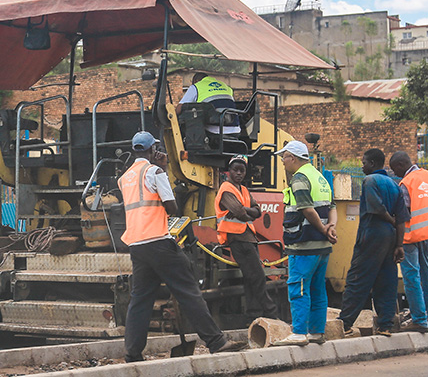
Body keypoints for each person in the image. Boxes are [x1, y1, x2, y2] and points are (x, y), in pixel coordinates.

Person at [119, 131, 246, 361]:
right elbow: (172, 208)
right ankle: (216, 342)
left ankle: (132, 353)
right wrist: (164, 169)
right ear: (152, 150)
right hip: (159, 241)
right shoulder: (154, 171)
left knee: (140, 300)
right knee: (188, 291)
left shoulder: (125, 177)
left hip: (137, 245)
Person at [337, 148, 409, 337]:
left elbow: (377, 209)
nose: (361, 167)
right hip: (390, 238)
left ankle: (344, 324)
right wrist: (399, 245)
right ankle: (386, 325)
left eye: (363, 163)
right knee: (386, 280)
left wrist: (390, 222)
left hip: (372, 235)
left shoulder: (370, 181)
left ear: (373, 164)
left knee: (358, 279)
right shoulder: (395, 185)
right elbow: (402, 218)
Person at [273, 140, 338, 346]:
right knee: (318, 289)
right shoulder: (320, 178)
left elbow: (307, 209)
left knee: (298, 287)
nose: (283, 162)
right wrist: (330, 228)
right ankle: (316, 332)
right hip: (322, 246)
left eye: (284, 158)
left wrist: (321, 229)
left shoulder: (300, 178)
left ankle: (299, 332)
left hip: (304, 244)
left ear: (292, 157)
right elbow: (332, 206)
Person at [215, 154, 279, 322]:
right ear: (229, 171)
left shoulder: (243, 190)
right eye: (235, 170)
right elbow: (240, 213)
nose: (239, 173)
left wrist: (247, 211)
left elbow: (257, 211)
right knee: (257, 276)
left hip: (248, 237)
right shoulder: (226, 189)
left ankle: (253, 314)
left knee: (252, 278)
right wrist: (248, 211)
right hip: (236, 238)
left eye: (242, 170)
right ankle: (271, 313)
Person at [390, 151, 428, 333]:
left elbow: (403, 213)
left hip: (410, 237)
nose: (394, 173)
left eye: (394, 169)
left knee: (411, 278)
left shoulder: (406, 183)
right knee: (427, 277)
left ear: (400, 165)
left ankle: (420, 320)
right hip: (427, 234)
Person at [176, 72, 240, 135]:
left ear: (196, 81)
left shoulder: (196, 86)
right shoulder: (226, 86)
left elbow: (179, 108)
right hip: (235, 130)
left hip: (215, 131)